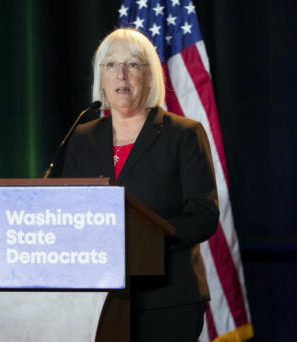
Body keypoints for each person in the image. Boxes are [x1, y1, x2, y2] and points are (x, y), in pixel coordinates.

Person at [61, 28, 219, 342]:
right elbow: (66, 210)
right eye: (111, 65)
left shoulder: (183, 134)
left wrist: (142, 239)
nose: (121, 74)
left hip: (168, 299)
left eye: (133, 64)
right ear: (101, 77)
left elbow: (203, 216)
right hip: (100, 299)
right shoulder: (82, 137)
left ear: (150, 77)